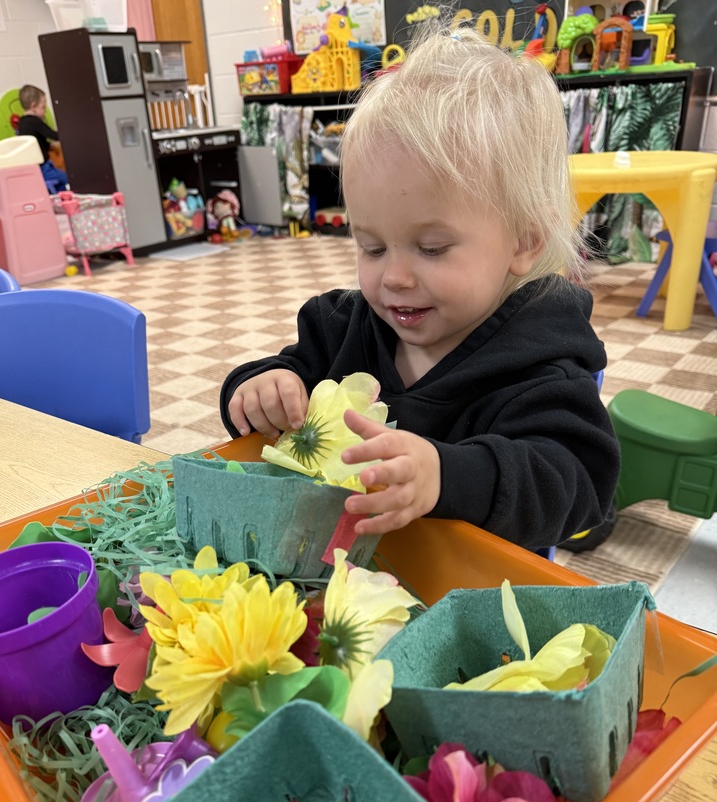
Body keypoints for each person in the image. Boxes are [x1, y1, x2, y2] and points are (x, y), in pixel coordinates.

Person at [220, 24, 620, 552]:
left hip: (466, 598)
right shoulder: (340, 326)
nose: (394, 278)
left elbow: (580, 484)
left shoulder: (542, 365)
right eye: (372, 247)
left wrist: (446, 475)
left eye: (431, 248)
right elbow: (278, 377)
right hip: (338, 572)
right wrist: (258, 389)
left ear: (524, 239)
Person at [17, 84, 68, 192]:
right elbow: (53, 135)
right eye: (43, 107)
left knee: (61, 182)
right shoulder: (34, 121)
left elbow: (38, 143)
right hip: (43, 168)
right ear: (34, 106)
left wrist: (50, 145)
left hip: (33, 168)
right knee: (69, 179)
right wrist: (69, 136)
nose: (44, 112)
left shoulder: (22, 123)